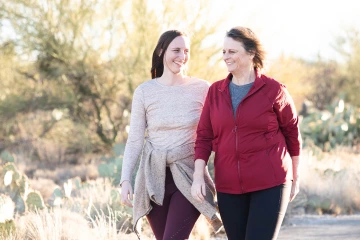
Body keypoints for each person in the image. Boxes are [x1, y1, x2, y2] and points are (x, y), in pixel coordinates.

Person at [191, 26, 302, 240]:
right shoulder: (215, 91)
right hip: (228, 186)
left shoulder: (274, 90)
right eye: (224, 52)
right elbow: (204, 136)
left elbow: (292, 134)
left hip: (270, 182)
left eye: (232, 51)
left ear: (251, 53)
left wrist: (295, 176)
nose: (226, 57)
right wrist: (198, 177)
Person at [119, 30, 222, 240]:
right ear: (161, 51)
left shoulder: (202, 88)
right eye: (176, 50)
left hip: (189, 177)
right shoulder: (145, 91)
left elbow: (215, 134)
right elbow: (135, 139)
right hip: (153, 178)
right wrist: (125, 180)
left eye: (186, 51)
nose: (182, 56)